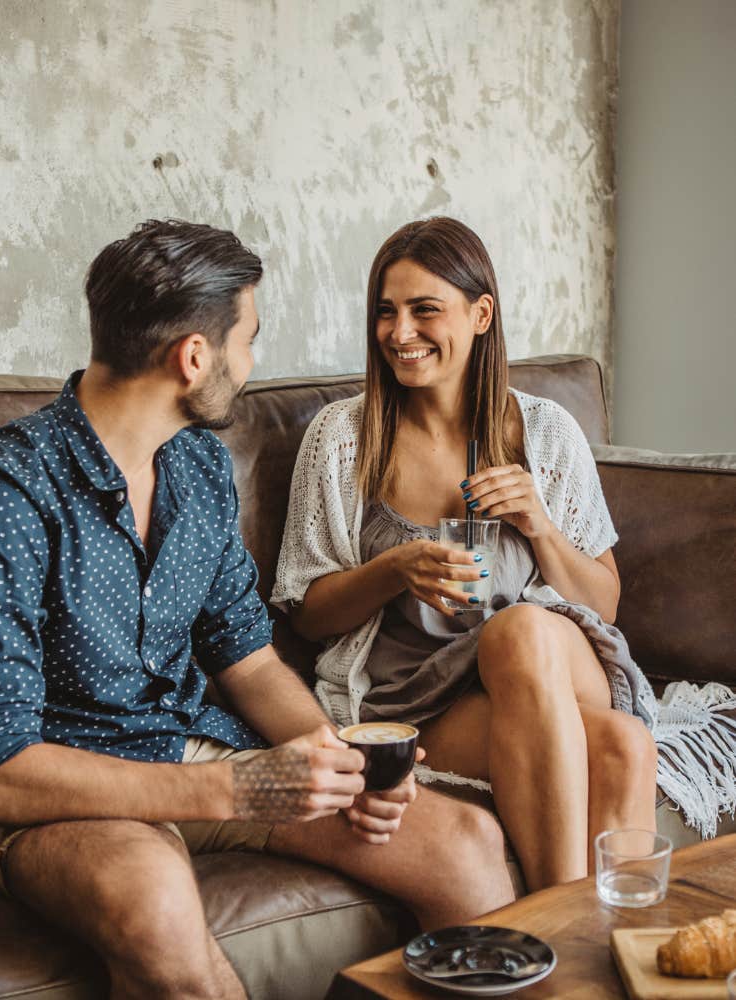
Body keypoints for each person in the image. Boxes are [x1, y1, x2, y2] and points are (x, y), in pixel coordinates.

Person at [0, 219, 515, 1000]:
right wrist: (232, 789)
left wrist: (341, 759)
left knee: (463, 843)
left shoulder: (196, 467)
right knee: (154, 898)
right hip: (53, 786)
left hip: (185, 749)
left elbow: (250, 658)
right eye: (248, 340)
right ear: (194, 357)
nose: (251, 362)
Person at [273, 216, 660, 894]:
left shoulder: (544, 432)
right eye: (386, 313)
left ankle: (554, 935)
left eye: (425, 310)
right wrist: (394, 568)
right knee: (623, 746)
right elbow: (305, 614)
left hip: (550, 664)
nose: (400, 333)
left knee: (522, 630)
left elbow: (603, 605)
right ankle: (592, 952)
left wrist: (538, 524)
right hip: (419, 696)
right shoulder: (342, 438)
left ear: (481, 314)